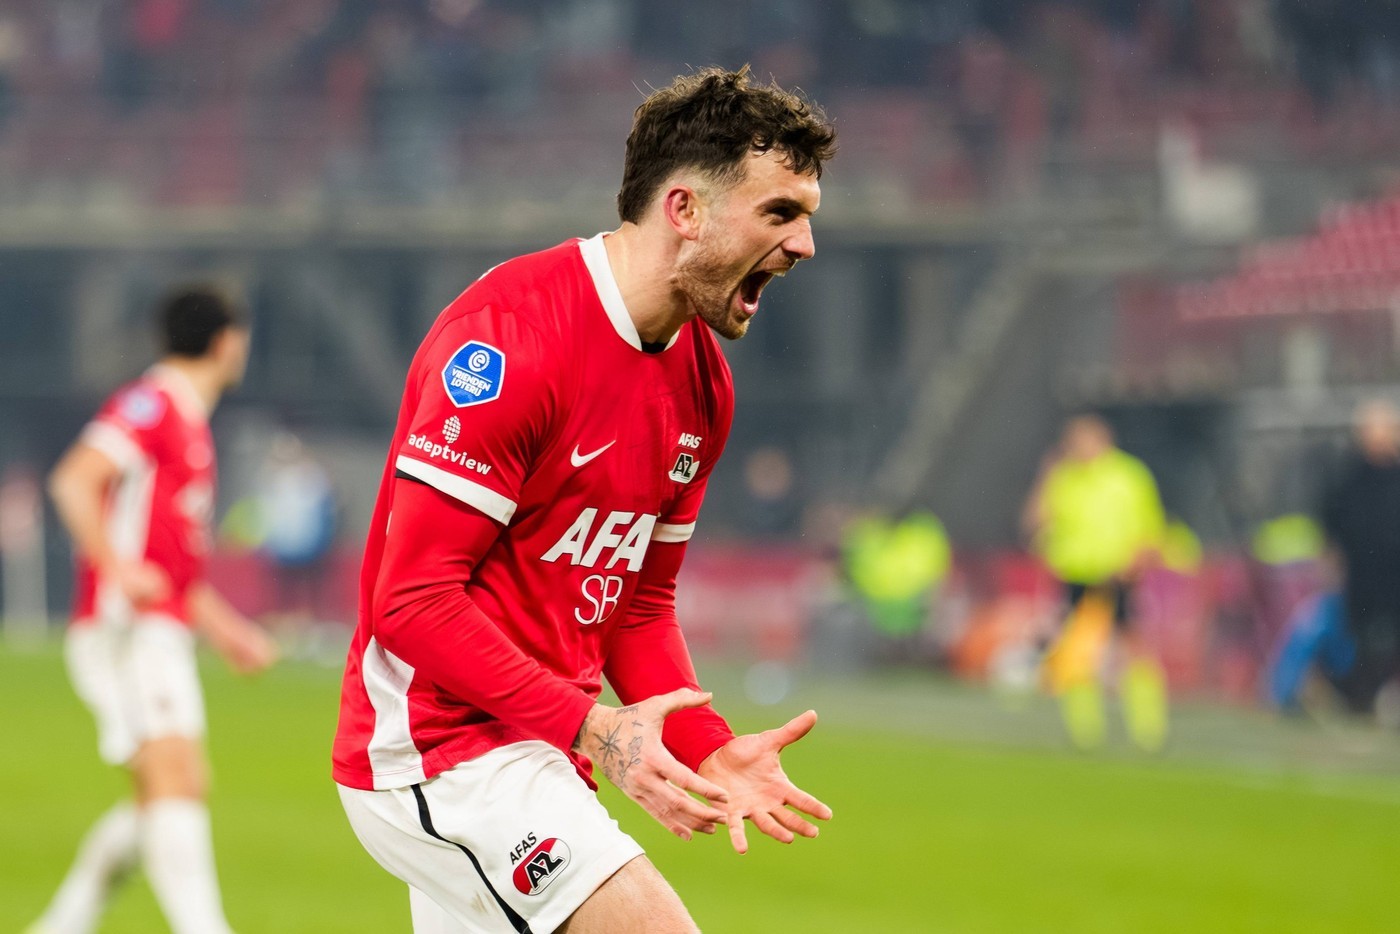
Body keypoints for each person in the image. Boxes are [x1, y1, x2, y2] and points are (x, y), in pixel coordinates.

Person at [333, 66, 837, 933]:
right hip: (441, 752)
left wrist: (705, 745)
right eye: (780, 213)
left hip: (544, 747)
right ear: (684, 209)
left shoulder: (704, 383)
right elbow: (410, 603)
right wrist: (596, 728)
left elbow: (637, 605)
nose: (804, 246)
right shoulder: (509, 343)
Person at [30, 286, 278, 934]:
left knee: (163, 792)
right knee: (176, 778)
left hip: (156, 629)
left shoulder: (188, 422)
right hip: (127, 630)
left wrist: (229, 633)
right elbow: (74, 478)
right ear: (227, 342)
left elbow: (175, 570)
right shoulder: (154, 404)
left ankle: (61, 924)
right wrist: (114, 567)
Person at [1021, 414, 1168, 751]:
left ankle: (1149, 729)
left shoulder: (1128, 476)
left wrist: (1137, 561)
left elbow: (1151, 526)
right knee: (1075, 654)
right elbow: (1034, 524)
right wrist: (1047, 476)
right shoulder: (1064, 478)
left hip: (1117, 574)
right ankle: (1086, 733)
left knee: (1133, 648)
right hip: (1076, 574)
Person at [1320, 398, 1400, 720]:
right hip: (1362, 575)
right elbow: (1333, 519)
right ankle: (1359, 698)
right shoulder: (1349, 476)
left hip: (1395, 574)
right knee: (1363, 637)